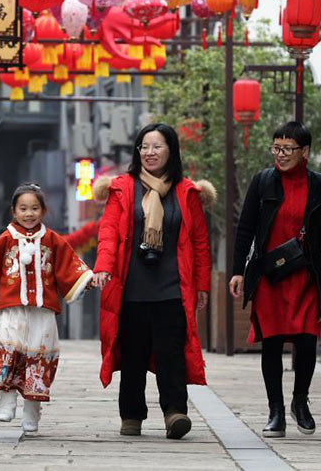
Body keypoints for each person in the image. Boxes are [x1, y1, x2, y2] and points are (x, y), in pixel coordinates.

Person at [229, 121, 321, 438]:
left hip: (305, 275)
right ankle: (275, 411)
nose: (280, 155)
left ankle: (299, 401)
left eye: (287, 149)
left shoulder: (319, 186)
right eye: (276, 148)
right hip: (269, 276)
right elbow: (245, 228)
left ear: (305, 151)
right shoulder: (262, 182)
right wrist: (238, 271)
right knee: (271, 342)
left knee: (307, 339)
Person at [93, 123, 214, 440]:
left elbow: (200, 242)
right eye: (144, 147)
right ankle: (131, 416)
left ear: (171, 151)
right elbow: (108, 233)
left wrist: (202, 285)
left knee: (171, 354)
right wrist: (103, 266)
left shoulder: (187, 192)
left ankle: (175, 412)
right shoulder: (122, 188)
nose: (149, 153)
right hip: (130, 290)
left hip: (173, 289)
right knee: (132, 355)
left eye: (156, 146)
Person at [0, 183, 94, 433]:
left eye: (34, 208)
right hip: (11, 309)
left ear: (43, 210)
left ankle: (32, 411)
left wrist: (84, 280)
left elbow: (69, 266)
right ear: (14, 211)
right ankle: (7, 399)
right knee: (9, 348)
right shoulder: (5, 239)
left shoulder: (53, 240)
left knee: (39, 356)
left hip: (42, 311)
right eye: (23, 208)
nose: (29, 213)